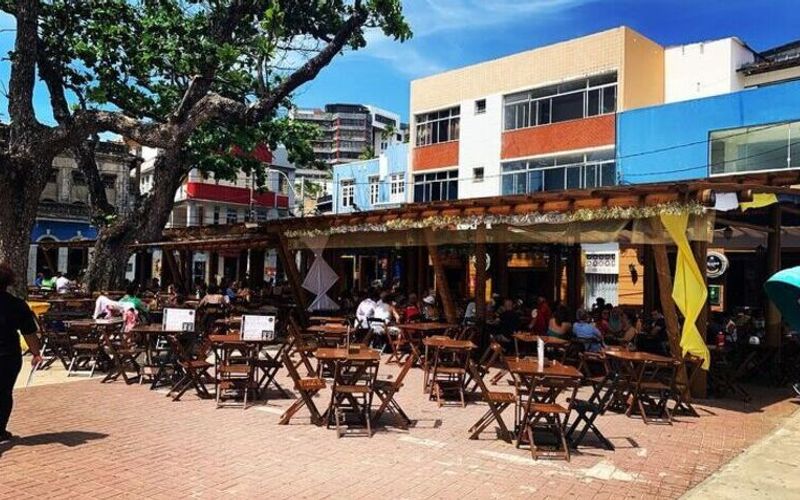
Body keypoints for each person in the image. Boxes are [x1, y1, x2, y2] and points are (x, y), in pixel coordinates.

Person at [0, 263, 43, 443]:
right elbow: (29, 333)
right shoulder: (17, 305)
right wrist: (36, 353)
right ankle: (0, 430)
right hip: (8, 356)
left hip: (8, 355)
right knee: (4, 393)